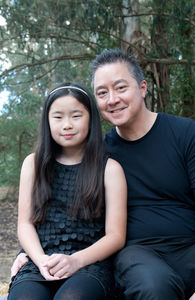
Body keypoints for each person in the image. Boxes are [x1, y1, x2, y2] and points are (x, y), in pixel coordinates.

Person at [9, 49, 195, 300]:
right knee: (153, 287)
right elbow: (62, 209)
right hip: (138, 255)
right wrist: (27, 252)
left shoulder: (185, 134)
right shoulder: (101, 156)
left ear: (142, 88)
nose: (112, 99)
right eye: (102, 93)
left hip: (191, 246)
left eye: (121, 88)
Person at [8, 82, 127, 300]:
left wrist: (75, 261)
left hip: (89, 264)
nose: (67, 125)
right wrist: (40, 259)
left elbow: (116, 236)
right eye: (58, 117)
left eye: (75, 115)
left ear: (90, 118)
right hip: (41, 261)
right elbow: (25, 224)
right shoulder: (33, 165)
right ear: (47, 120)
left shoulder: (110, 169)